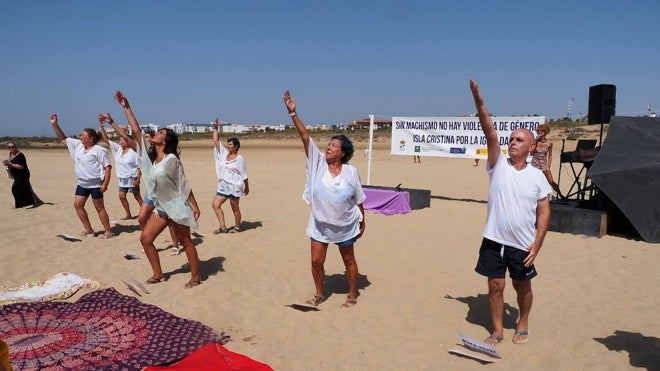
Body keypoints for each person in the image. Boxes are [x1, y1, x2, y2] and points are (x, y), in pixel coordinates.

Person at [469, 79, 551, 345]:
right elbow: (489, 131)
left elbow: (544, 212)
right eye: (511, 138)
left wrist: (537, 245)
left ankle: (523, 321)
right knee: (495, 286)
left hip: (522, 244)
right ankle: (497, 330)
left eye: (520, 140)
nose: (513, 142)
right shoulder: (498, 165)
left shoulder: (538, 176)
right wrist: (480, 103)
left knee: (522, 286)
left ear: (531, 147)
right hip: (494, 240)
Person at [283, 90, 366, 308]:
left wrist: (362, 220)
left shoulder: (351, 172)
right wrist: (293, 113)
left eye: (333, 146)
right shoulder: (317, 163)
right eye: (329, 144)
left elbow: (359, 199)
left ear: (343, 153)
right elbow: (305, 137)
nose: (328, 147)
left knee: (348, 260)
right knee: (316, 261)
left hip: (345, 225)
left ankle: (352, 294)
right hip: (320, 223)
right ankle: (319, 293)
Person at [115, 91, 202, 287]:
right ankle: (158, 274)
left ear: (166, 141)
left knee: (186, 242)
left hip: (177, 206)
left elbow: (183, 184)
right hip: (162, 207)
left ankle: (195, 277)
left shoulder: (171, 160)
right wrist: (126, 107)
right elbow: (136, 131)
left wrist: (194, 206)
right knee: (145, 239)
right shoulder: (152, 158)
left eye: (161, 133)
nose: (156, 134)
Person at [50, 115, 114, 239]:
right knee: (78, 205)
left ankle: (108, 231)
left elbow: (108, 167)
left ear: (90, 138)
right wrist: (54, 124)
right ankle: (89, 229)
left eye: (82, 135)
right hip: (82, 183)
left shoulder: (99, 150)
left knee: (99, 207)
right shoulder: (78, 145)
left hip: (96, 184)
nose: (80, 137)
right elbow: (63, 139)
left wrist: (105, 183)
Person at [99, 117, 143, 219]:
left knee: (137, 196)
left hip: (132, 178)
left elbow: (139, 167)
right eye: (120, 140)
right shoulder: (118, 149)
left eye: (122, 140)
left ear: (129, 141)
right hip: (122, 178)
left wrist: (138, 179)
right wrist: (102, 127)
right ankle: (128, 214)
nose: (120, 141)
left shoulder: (134, 152)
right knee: (122, 196)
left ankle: (145, 213)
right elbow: (106, 140)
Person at [211, 117, 249, 234]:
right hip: (223, 185)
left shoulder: (239, 158)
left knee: (235, 208)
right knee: (215, 205)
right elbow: (216, 141)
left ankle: (237, 227)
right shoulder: (224, 153)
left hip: (234, 186)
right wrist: (215, 127)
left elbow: (244, 174)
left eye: (231, 144)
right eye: (228, 144)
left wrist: (246, 187)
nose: (228, 146)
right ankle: (222, 226)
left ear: (236, 146)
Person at [4, 142, 43, 208]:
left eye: (13, 147)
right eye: (9, 147)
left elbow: (21, 166)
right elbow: (12, 161)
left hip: (23, 175)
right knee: (27, 189)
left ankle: (20, 205)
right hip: (16, 175)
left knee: (15, 189)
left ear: (16, 147)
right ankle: (37, 202)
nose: (11, 148)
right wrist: (7, 162)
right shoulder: (11, 153)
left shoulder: (20, 155)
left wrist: (10, 164)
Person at [531, 123, 562, 197]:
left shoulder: (549, 143)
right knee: (533, 183)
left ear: (545, 132)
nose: (540, 133)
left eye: (542, 131)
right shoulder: (535, 142)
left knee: (551, 182)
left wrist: (548, 165)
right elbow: (531, 153)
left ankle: (561, 196)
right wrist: (535, 142)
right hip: (535, 165)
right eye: (538, 131)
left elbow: (550, 155)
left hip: (544, 165)